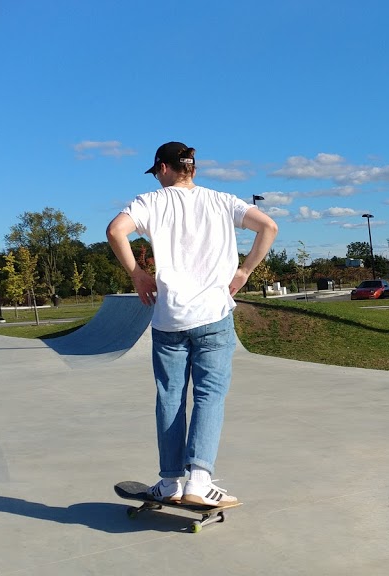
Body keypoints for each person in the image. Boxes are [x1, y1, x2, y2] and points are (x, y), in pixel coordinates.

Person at [106, 141, 278, 506]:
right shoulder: (223, 201)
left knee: (169, 398)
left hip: (169, 318)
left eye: (158, 173)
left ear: (164, 169)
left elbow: (115, 231)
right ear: (193, 169)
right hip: (214, 316)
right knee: (209, 396)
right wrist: (244, 271)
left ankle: (169, 483)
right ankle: (199, 481)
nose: (158, 179)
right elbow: (268, 227)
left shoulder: (149, 202)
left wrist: (137, 274)